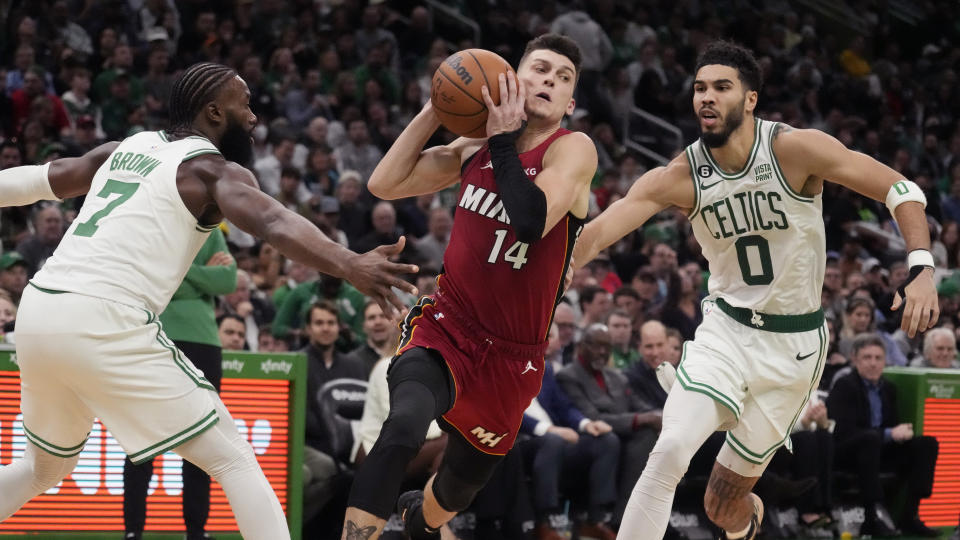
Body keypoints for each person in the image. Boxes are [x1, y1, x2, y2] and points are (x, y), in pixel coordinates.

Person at [0, 62, 417, 540]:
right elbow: (274, 223)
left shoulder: (126, 147)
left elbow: (38, 178)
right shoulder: (208, 169)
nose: (255, 117)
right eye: (245, 105)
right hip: (103, 315)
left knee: (42, 467)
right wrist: (349, 264)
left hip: (40, 308)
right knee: (233, 457)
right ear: (216, 112)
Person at [573, 41, 939, 540]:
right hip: (726, 331)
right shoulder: (682, 174)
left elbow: (901, 189)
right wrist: (543, 274)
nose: (707, 97)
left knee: (721, 504)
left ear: (750, 99)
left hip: (794, 348)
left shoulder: (794, 149)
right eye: (700, 88)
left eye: (722, 87)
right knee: (671, 449)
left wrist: (921, 266)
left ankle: (746, 524)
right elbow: (595, 234)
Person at [342, 34, 597, 539]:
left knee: (457, 492)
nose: (548, 80)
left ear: (570, 104)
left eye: (562, 78)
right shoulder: (472, 147)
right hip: (446, 327)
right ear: (509, 80)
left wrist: (502, 140)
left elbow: (530, 219)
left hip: (512, 357)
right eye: (539, 69)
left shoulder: (573, 150)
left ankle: (420, 523)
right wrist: (441, 104)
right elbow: (384, 184)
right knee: (403, 428)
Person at [123, 227, 237, 540]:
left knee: (203, 438)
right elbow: (138, 277)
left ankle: (196, 531)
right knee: (141, 439)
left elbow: (227, 280)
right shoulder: (153, 225)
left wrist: (174, 273)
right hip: (156, 335)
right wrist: (202, 277)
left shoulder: (211, 229)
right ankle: (133, 530)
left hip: (201, 341)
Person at [827, 333, 939, 536]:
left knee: (927, 444)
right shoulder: (845, 386)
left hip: (877, 450)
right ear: (855, 359)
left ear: (885, 361)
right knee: (870, 439)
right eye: (867, 357)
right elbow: (843, 432)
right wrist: (888, 434)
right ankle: (873, 514)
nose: (873, 363)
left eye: (878, 358)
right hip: (848, 452)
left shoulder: (889, 388)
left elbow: (890, 429)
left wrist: (898, 434)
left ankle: (910, 514)